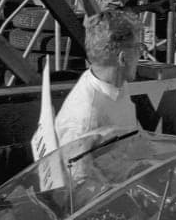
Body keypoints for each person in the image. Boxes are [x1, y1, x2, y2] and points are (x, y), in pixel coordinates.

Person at [45, 10, 142, 146]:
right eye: (138, 48)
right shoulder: (86, 119)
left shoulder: (117, 83)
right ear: (122, 58)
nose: (140, 55)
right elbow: (76, 167)